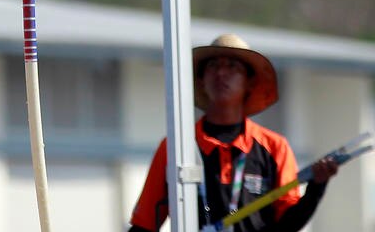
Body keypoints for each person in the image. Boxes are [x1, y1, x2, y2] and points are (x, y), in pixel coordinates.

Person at [129, 34, 339, 232]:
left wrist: (316, 187)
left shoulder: (274, 147)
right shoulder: (176, 146)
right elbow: (144, 226)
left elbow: (287, 225)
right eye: (213, 66)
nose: (221, 73)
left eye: (232, 66)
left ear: (249, 82)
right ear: (201, 80)